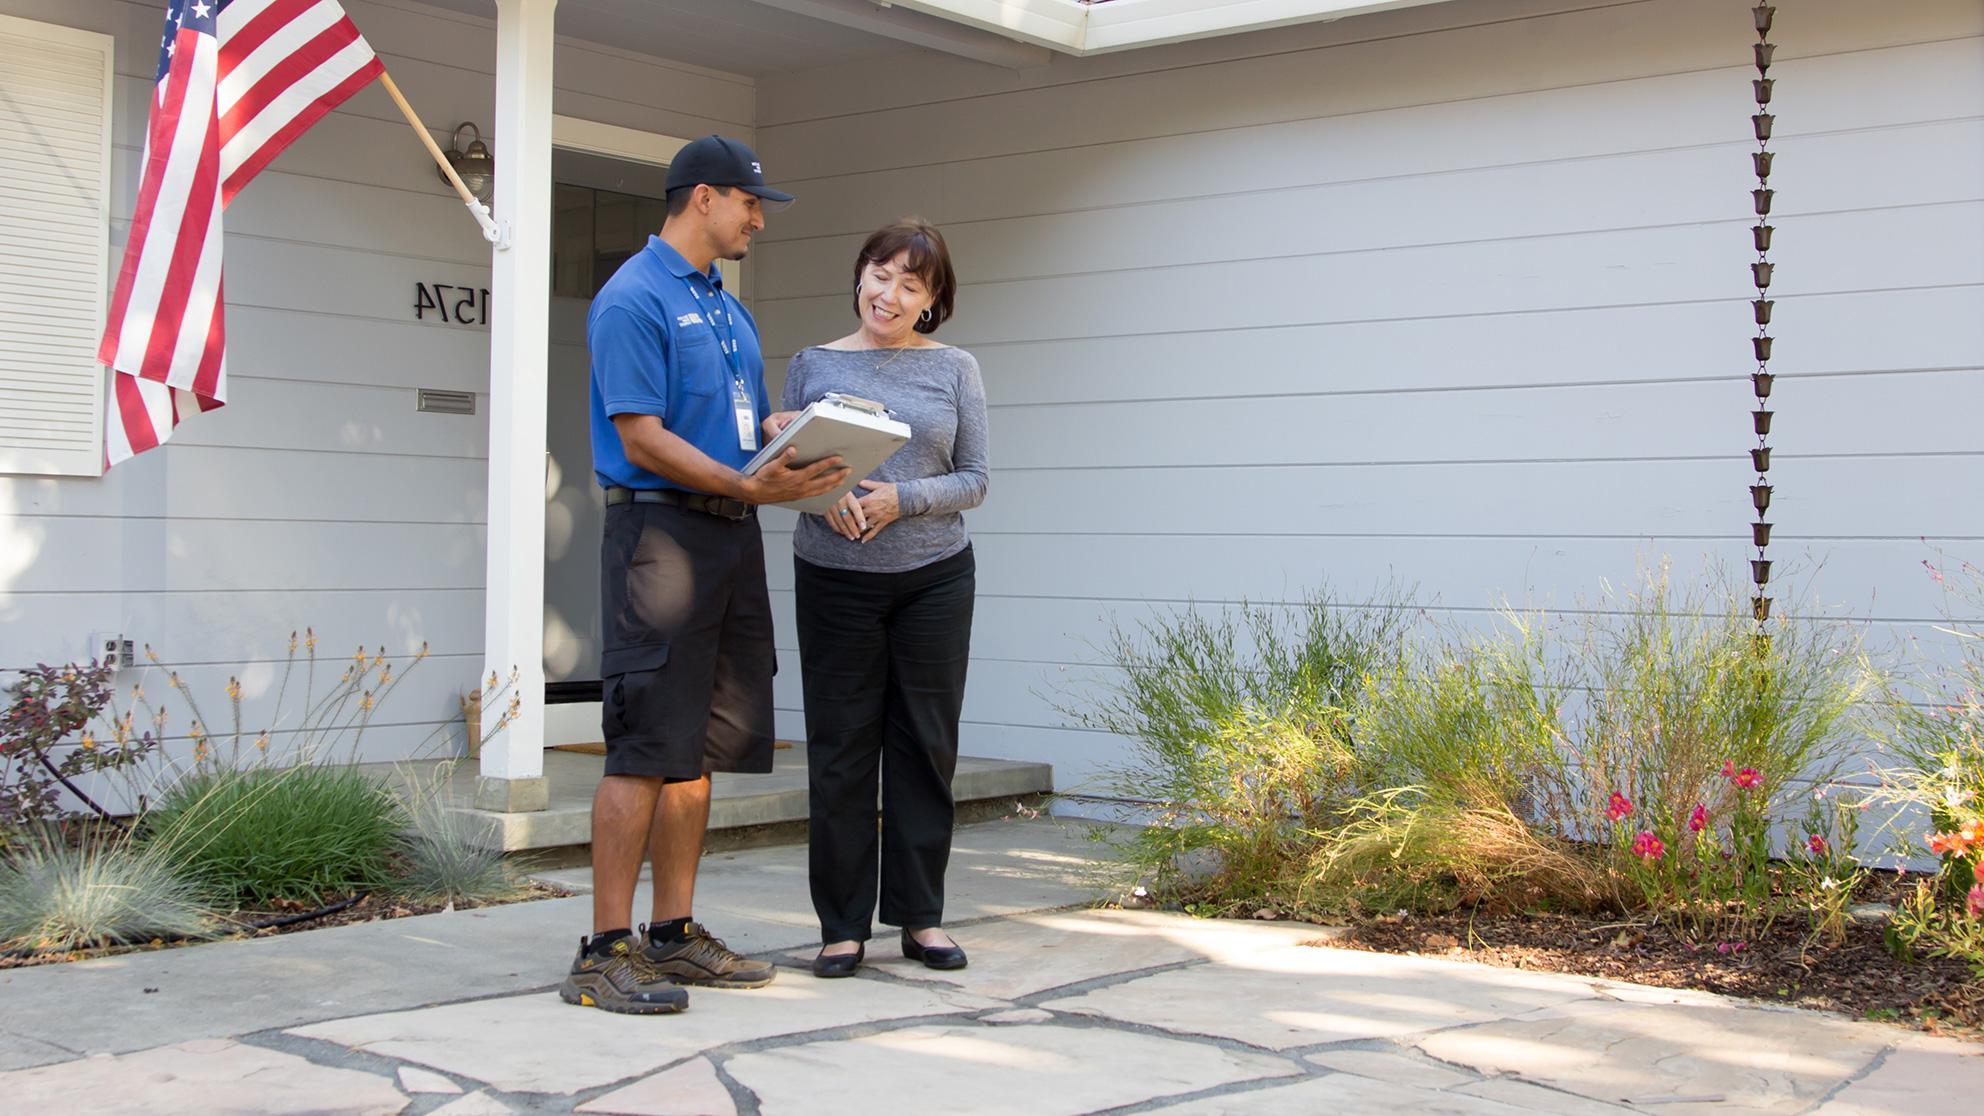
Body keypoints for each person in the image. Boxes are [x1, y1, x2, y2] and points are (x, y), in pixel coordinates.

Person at [559, 135, 848, 1015]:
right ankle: (603, 952)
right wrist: (745, 480)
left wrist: (787, 432)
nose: (759, 218)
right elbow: (641, 436)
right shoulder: (632, 299)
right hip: (660, 537)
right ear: (703, 199)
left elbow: (726, 423)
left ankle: (672, 935)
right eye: (750, 203)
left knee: (699, 749)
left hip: (730, 534)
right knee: (645, 745)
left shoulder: (726, 305)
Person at [766, 219, 989, 979]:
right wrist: (821, 492)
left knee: (925, 749)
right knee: (841, 753)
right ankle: (841, 926)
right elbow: (781, 463)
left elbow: (976, 478)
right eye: (880, 273)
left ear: (931, 300)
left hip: (933, 577)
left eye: (910, 283)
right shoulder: (812, 363)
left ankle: (921, 918)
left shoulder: (955, 368)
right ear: (859, 275)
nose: (889, 293)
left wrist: (903, 500)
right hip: (833, 580)